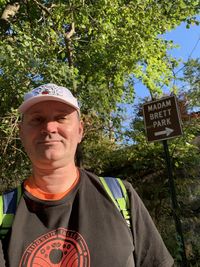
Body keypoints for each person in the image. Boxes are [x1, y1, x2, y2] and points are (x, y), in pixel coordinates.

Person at [0, 83, 174, 267]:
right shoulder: (4, 214)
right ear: (21, 132)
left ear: (80, 131)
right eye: (37, 119)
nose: (49, 127)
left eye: (61, 118)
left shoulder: (121, 196)